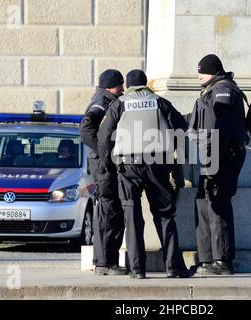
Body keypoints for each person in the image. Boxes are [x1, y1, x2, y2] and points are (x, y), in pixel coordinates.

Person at [97, 69, 191, 279]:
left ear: (128, 86)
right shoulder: (159, 101)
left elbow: (103, 135)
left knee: (132, 216)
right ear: (145, 83)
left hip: (128, 166)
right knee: (165, 215)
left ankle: (137, 270)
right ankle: (174, 267)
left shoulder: (119, 104)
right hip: (157, 163)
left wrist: (107, 163)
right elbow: (181, 126)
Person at [188, 54, 248, 275]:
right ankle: (207, 260)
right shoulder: (210, 91)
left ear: (213, 72)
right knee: (204, 204)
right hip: (212, 158)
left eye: (202, 72)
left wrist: (213, 161)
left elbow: (221, 128)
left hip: (222, 157)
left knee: (218, 205)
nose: (199, 76)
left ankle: (222, 262)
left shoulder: (223, 91)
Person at [79, 69, 127, 276]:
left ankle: (105, 262)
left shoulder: (105, 99)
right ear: (111, 87)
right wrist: (104, 152)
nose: (122, 90)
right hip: (104, 168)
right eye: (120, 86)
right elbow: (86, 127)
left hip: (104, 166)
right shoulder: (102, 101)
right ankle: (105, 263)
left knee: (108, 213)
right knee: (109, 214)